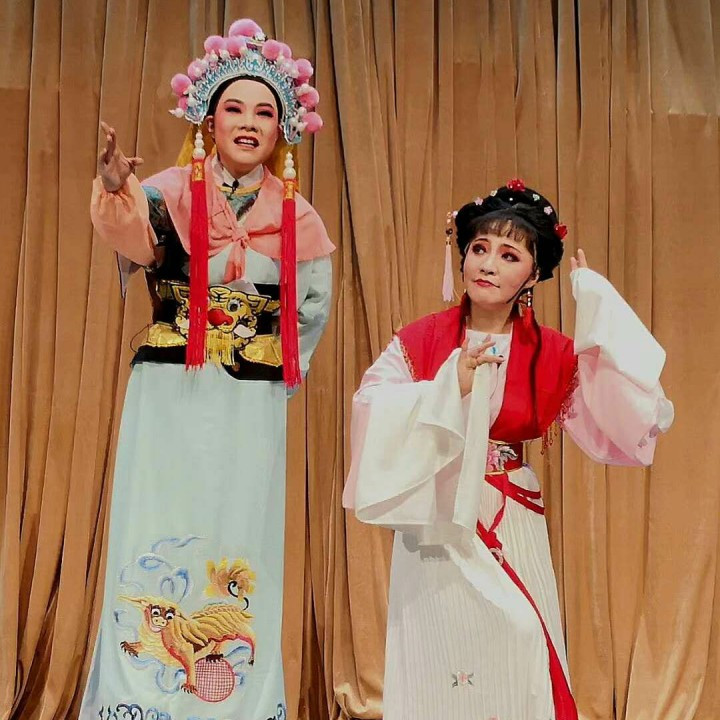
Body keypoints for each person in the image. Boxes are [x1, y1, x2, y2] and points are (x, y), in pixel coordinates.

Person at [343, 179, 673, 720]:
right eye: (479, 248)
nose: (488, 265)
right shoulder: (422, 340)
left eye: (509, 255)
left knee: (521, 636)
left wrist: (599, 310)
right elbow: (371, 404)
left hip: (510, 509)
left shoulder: (552, 353)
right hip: (439, 510)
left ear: (533, 276)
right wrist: (451, 386)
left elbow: (627, 417)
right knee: (441, 644)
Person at [80, 18, 333, 720]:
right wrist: (115, 189)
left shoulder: (298, 216)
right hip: (171, 389)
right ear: (208, 120)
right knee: (158, 516)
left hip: (249, 399)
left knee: (241, 528)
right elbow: (135, 236)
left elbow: (310, 311)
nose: (248, 123)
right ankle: (142, 696)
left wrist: (280, 374)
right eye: (234, 108)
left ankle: (238, 699)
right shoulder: (169, 192)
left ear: (282, 129)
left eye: (264, 112)